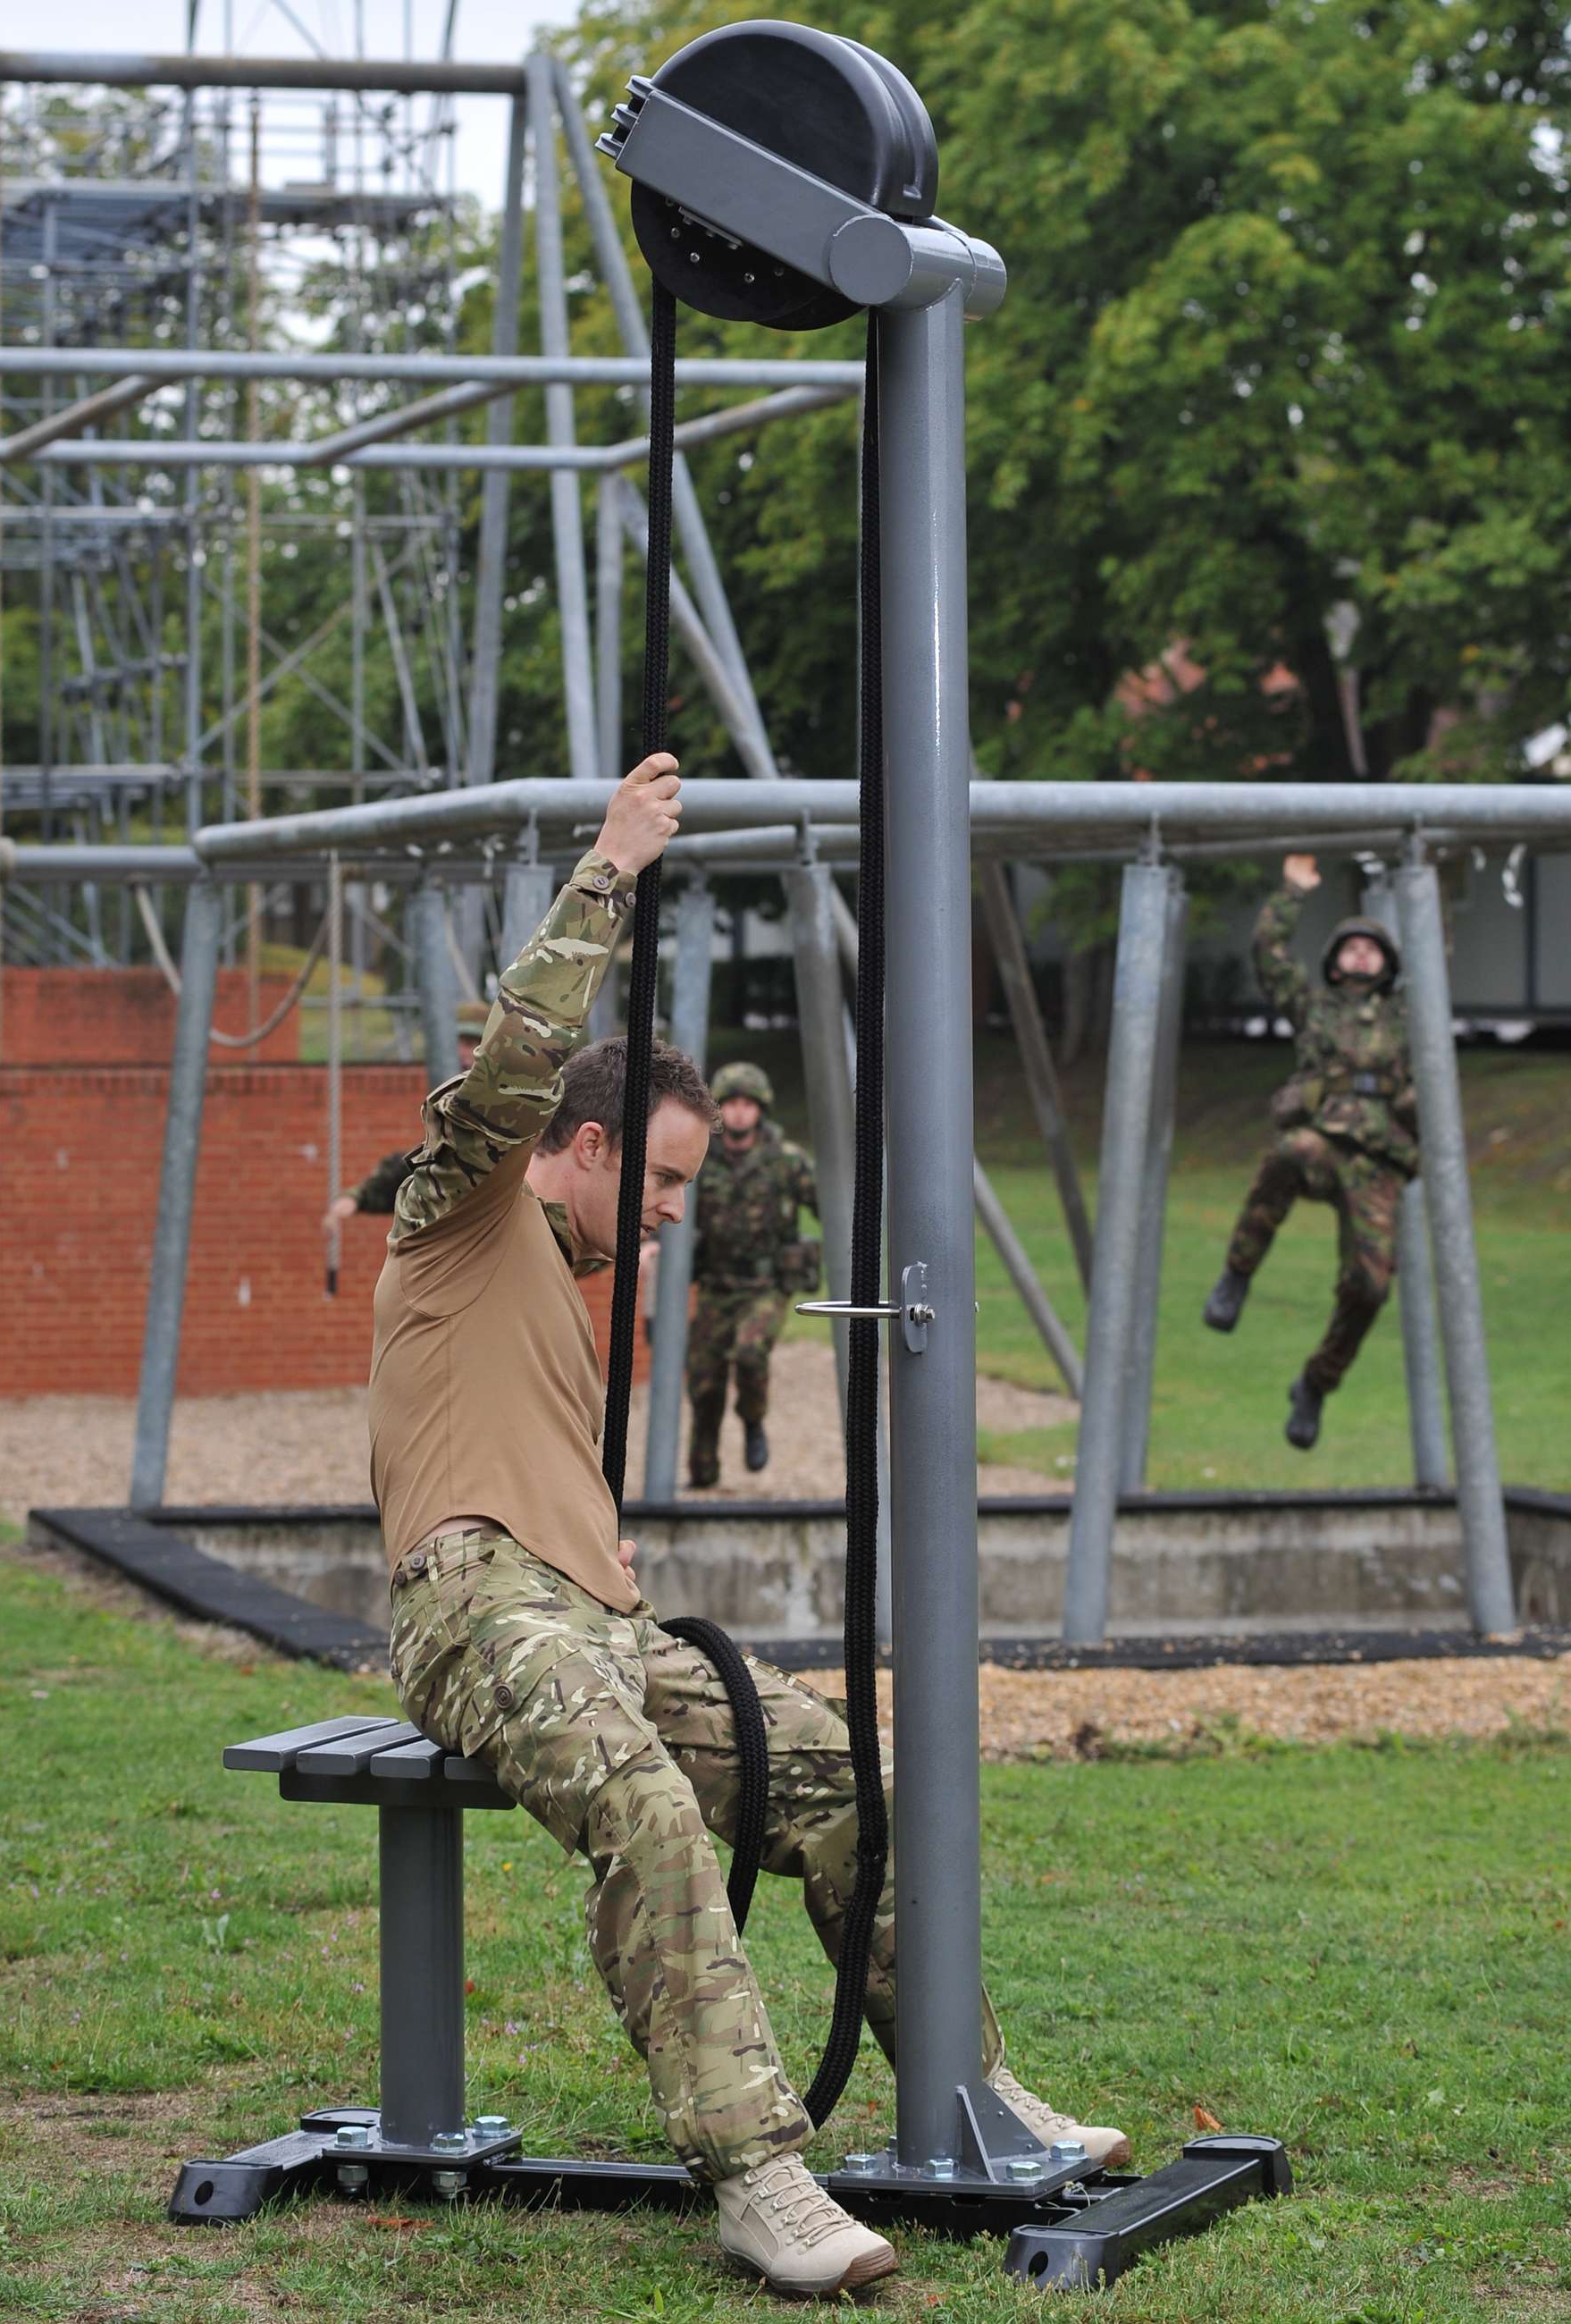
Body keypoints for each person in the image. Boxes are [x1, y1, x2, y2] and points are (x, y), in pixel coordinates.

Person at [373, 753, 1129, 2301]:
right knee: (650, 1810)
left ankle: (961, 2088)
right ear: (577, 1145)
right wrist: (610, 869)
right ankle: (755, 2175)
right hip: (468, 1609)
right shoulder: (462, 1206)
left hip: (587, 1620)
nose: (671, 1210)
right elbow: (518, 1056)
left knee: (854, 1777)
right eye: (656, 1176)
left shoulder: (553, 1282)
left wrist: (604, 1577)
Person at [1203, 852, 1420, 1449]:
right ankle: (1237, 1273)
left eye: (1370, 948)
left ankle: (1317, 1383)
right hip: (1326, 1139)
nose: (1359, 955)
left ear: (1387, 962)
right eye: (1349, 948)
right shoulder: (1316, 1008)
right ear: (1334, 961)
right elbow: (1269, 958)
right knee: (1291, 1152)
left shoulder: (1407, 1016)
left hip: (1378, 1159)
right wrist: (1292, 892)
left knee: (1369, 1287)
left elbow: (1437, 958)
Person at [685, 1063, 819, 1488]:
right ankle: (703, 1474)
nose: (740, 1113)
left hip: (765, 1286)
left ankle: (753, 1421)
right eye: (731, 1104)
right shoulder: (700, 1156)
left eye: (748, 1105)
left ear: (761, 1109)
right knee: (704, 1383)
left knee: (749, 1353)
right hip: (716, 1284)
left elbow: (834, 1206)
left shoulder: (787, 1160)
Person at [323, 1005, 486, 1230]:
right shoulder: (449, 1100)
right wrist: (358, 1196)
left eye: (470, 1044)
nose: (462, 1052)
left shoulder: (508, 1097)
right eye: (458, 1043)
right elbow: (430, 1162)